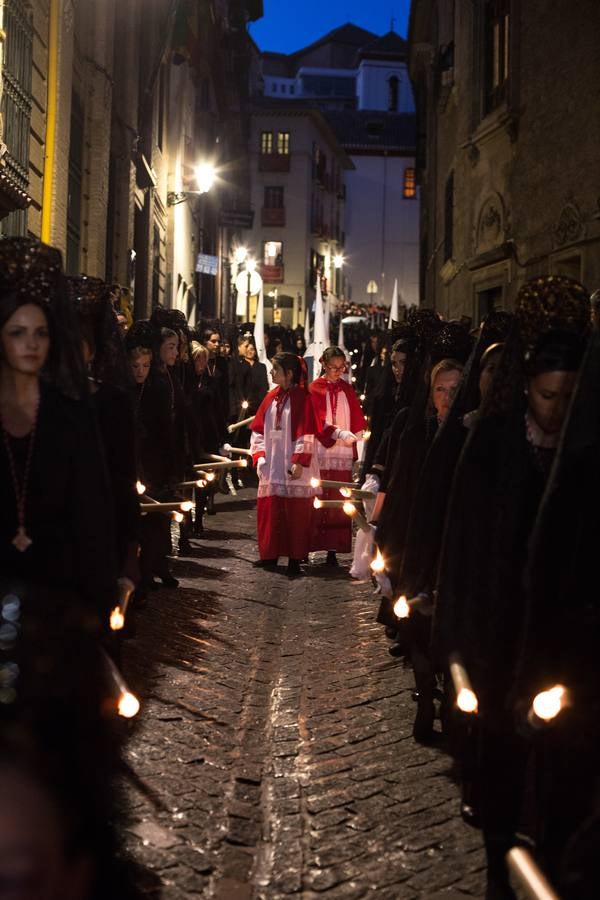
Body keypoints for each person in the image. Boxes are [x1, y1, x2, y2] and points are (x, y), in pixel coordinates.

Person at [434, 276, 590, 898]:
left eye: (570, 397)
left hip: (563, 651)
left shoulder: (585, 455)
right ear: (527, 389)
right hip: (498, 646)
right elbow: (463, 550)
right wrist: (457, 646)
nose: (557, 408)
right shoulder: (494, 445)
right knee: (502, 793)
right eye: (549, 395)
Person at [0, 237, 118, 623]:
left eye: (41, 333)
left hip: (54, 598)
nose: (31, 344)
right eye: (18, 333)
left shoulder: (69, 413)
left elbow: (91, 511)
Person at [250, 352, 319, 578]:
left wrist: (299, 461)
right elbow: (258, 431)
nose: (271, 373)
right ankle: (269, 553)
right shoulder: (270, 397)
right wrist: (259, 456)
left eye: (275, 369)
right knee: (271, 509)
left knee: (295, 513)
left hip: (292, 463)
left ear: (289, 374)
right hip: (271, 463)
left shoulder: (302, 398)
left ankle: (294, 556)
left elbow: (306, 433)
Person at [309, 346, 366, 565]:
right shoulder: (314, 388)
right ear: (323, 364)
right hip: (322, 448)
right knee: (319, 493)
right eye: (334, 367)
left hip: (342, 449)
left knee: (339, 495)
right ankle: (311, 544)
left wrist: (357, 439)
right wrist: (335, 432)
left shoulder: (347, 389)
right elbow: (315, 419)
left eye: (341, 367)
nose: (338, 371)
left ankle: (333, 548)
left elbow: (357, 417)